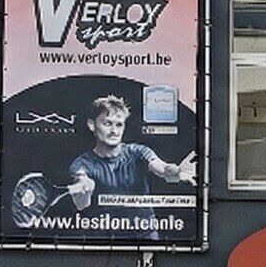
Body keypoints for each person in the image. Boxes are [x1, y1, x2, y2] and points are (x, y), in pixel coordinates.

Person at [68, 95, 196, 238]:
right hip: (106, 240)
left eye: (119, 125)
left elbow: (163, 170)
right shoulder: (82, 163)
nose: (114, 131)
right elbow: (81, 201)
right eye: (107, 123)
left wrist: (177, 172)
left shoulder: (138, 152)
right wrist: (84, 186)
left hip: (146, 236)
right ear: (92, 125)